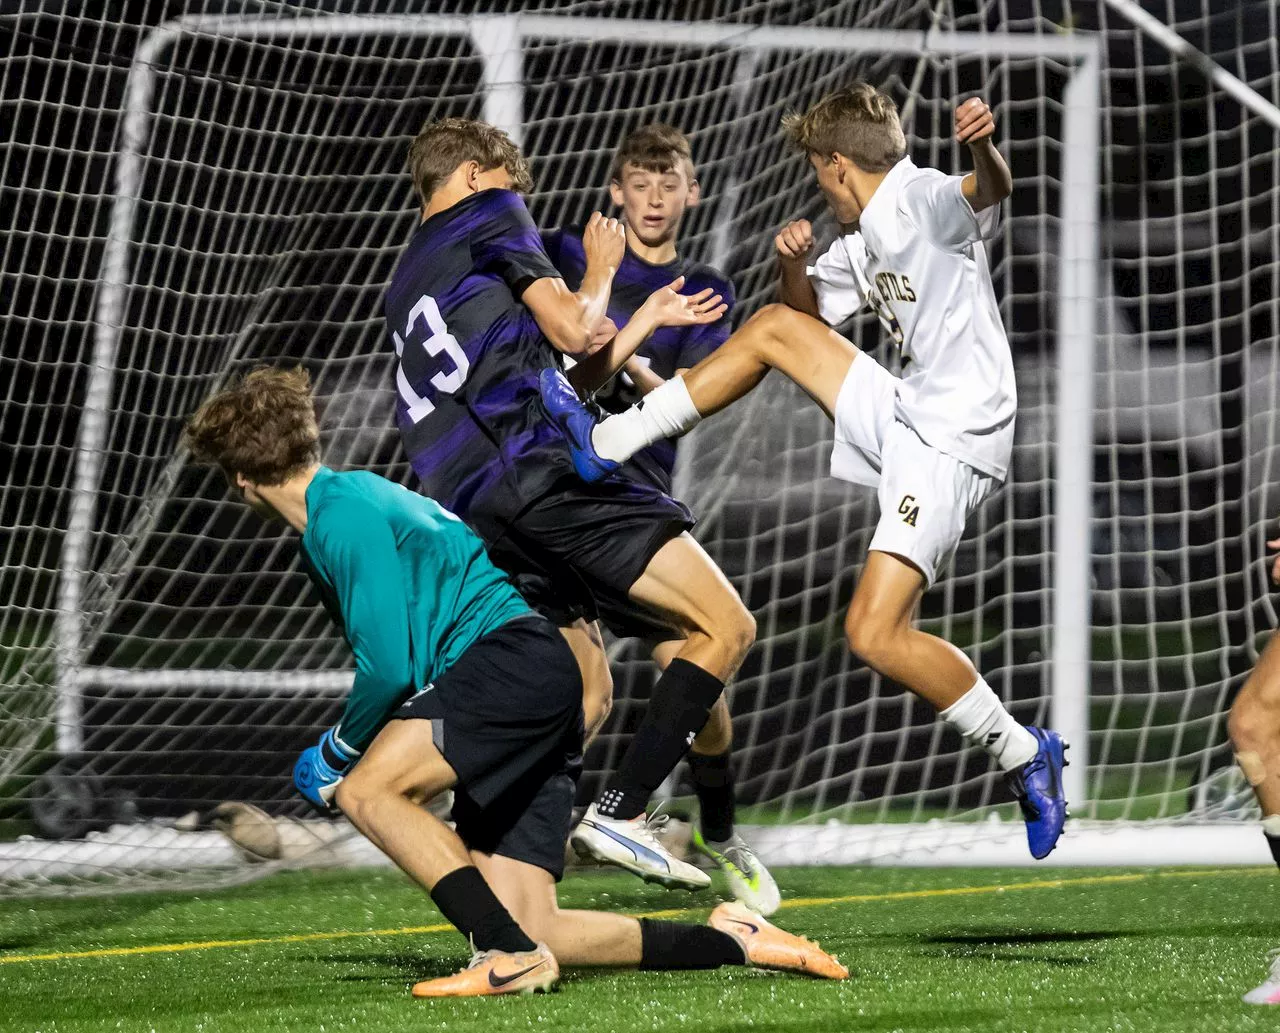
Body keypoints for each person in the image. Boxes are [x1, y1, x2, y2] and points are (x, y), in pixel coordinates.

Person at [181, 366, 847, 997]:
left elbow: (390, 665)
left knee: (370, 790)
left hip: (508, 667)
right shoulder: (351, 500)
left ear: (241, 479)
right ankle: (733, 937)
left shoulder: (338, 514)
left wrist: (336, 750)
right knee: (540, 923)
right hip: (529, 677)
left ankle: (506, 955)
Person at [541, 83, 1068, 860]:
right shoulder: (859, 236)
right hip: (908, 408)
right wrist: (794, 265)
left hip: (957, 435)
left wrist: (983, 148)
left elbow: (986, 190)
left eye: (817, 172)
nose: (817, 186)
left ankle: (1024, 752)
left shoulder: (922, 196)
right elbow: (808, 315)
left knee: (874, 631)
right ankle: (612, 438)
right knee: (774, 328)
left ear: (836, 164)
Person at [382, 116, 759, 890]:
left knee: (583, 692)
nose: (520, 196)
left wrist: (646, 317)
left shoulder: (408, 280)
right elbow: (576, 330)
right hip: (553, 476)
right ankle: (621, 810)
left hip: (486, 508)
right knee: (726, 625)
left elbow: (555, 380)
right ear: (478, 173)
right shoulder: (488, 212)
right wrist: (597, 272)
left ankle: (456, 828)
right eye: (512, 182)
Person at [541, 122, 777, 912]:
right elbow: (546, 320)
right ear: (615, 192)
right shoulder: (572, 255)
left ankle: (717, 829)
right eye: (639, 184)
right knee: (579, 693)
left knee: (703, 683)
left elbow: (682, 398)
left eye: (667, 183)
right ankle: (569, 830)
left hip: (635, 505)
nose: (652, 198)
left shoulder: (703, 287)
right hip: (566, 501)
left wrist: (629, 350)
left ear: (691, 193)